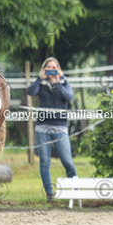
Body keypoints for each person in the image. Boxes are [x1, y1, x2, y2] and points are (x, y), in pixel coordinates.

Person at [26, 57, 77, 202]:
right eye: (48, 68)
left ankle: (75, 188)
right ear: (44, 69)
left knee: (67, 161)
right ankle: (49, 193)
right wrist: (39, 78)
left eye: (54, 67)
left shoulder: (64, 82)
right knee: (44, 162)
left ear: (59, 69)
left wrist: (58, 82)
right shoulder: (41, 83)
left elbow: (69, 97)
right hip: (42, 129)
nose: (51, 70)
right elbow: (30, 92)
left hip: (60, 128)